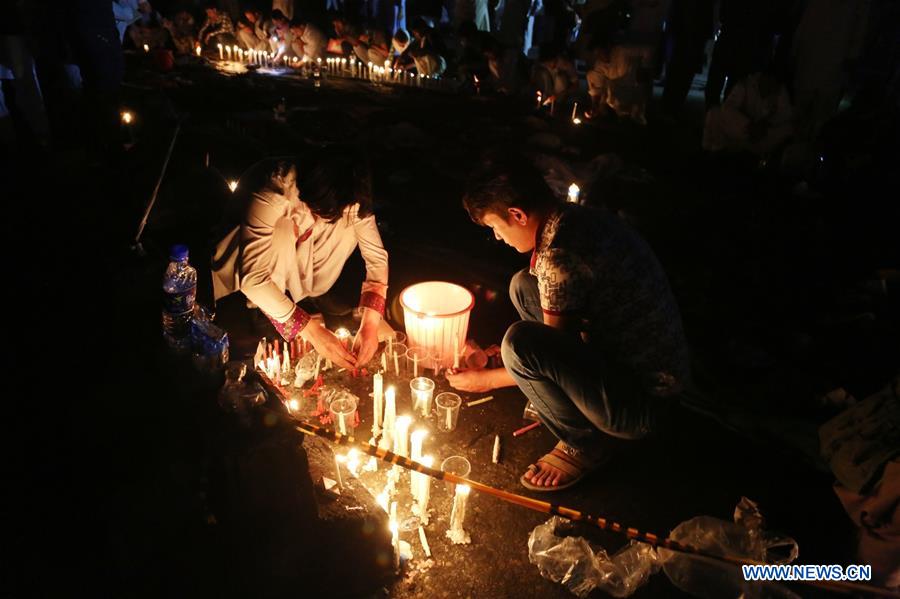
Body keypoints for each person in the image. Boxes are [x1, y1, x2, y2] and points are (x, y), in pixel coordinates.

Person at [447, 154, 690, 490]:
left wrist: (486, 379)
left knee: (519, 344)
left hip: (643, 404)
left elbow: (544, 352)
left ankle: (585, 443)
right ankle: (570, 408)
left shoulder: (560, 257)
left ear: (517, 214)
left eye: (495, 227)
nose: (499, 238)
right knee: (523, 284)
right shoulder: (575, 219)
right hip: (629, 362)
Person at [212, 150, 389, 369]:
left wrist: (370, 324)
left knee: (351, 224)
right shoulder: (275, 190)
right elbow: (253, 279)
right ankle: (267, 312)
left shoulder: (350, 191)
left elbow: (376, 258)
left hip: (301, 255)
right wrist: (313, 331)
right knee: (283, 231)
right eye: (320, 212)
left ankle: (307, 294)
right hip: (247, 263)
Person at [702, 69, 793, 156]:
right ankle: (714, 152)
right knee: (714, 114)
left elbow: (786, 114)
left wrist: (766, 123)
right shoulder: (745, 84)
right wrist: (748, 125)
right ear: (762, 77)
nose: (770, 88)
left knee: (788, 129)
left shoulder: (779, 90)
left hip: (763, 135)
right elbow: (728, 107)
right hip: (742, 130)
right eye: (768, 83)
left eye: (773, 86)